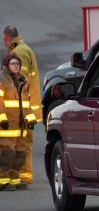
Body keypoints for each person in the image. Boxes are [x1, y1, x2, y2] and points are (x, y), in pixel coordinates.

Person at [2, 26, 40, 185]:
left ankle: (22, 176)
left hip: (22, 110)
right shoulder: (23, 49)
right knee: (21, 144)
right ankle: (20, 176)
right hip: (26, 109)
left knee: (19, 145)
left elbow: (18, 84)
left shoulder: (19, 53)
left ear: (6, 38)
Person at [0, 53, 36, 191]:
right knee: (7, 154)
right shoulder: (2, 79)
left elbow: (26, 103)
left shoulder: (22, 80)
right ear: (7, 65)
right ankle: (2, 180)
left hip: (20, 127)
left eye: (18, 64)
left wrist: (31, 119)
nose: (16, 66)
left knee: (20, 153)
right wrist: (2, 119)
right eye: (13, 64)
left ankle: (14, 179)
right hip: (7, 126)